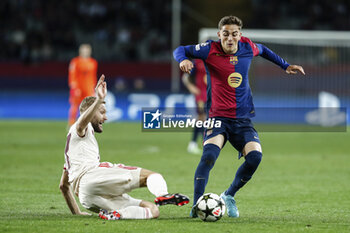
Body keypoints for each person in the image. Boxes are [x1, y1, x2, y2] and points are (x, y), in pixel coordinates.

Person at [173, 15, 305, 218]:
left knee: (255, 157)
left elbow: (264, 50)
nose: (230, 38)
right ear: (220, 35)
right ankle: (198, 204)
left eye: (234, 34)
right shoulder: (209, 49)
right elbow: (180, 49)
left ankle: (229, 195)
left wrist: (285, 65)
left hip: (242, 120)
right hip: (218, 118)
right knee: (208, 156)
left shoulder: (248, 47)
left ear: (239, 35)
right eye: (225, 34)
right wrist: (183, 60)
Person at [60, 75, 189, 220]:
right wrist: (98, 99)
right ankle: (162, 195)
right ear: (90, 112)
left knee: (152, 210)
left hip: (87, 199)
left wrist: (76, 212)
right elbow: (82, 121)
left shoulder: (74, 153)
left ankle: (116, 215)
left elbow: (63, 187)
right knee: (151, 176)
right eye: (102, 112)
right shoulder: (80, 129)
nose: (106, 117)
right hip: (92, 178)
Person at [68, 44, 98, 127]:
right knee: (75, 105)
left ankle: (87, 124)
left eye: (87, 50)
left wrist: (93, 87)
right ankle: (71, 124)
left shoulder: (93, 62)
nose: (86, 52)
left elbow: (93, 76)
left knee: (89, 107)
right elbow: (72, 75)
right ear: (80, 51)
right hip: (78, 88)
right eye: (84, 50)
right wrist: (74, 86)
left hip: (88, 88)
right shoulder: (75, 62)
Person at [182, 59, 207, 154]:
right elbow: (185, 76)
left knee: (205, 119)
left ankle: (200, 143)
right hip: (201, 95)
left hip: (211, 95)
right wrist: (190, 87)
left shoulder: (215, 59)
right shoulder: (197, 62)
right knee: (201, 118)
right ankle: (193, 144)